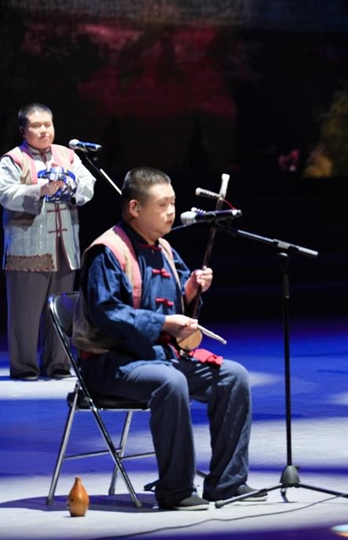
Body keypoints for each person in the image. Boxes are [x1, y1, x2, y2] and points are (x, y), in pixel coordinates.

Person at [72, 166, 264, 510]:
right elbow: (110, 316)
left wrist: (190, 292)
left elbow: (179, 311)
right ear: (135, 208)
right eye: (163, 205)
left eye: (173, 203)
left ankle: (227, 482)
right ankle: (175, 490)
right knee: (170, 382)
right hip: (110, 363)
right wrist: (164, 322)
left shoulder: (164, 250)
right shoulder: (107, 251)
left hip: (157, 358)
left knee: (233, 377)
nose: (172, 212)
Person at [0, 103, 96, 381]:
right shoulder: (12, 160)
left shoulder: (67, 155)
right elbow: (6, 193)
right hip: (27, 246)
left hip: (64, 246)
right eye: (37, 125)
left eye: (48, 124)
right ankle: (25, 367)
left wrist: (72, 187)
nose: (44, 130)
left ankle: (58, 365)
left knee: (62, 309)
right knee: (25, 315)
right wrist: (40, 189)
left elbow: (88, 183)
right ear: (23, 130)